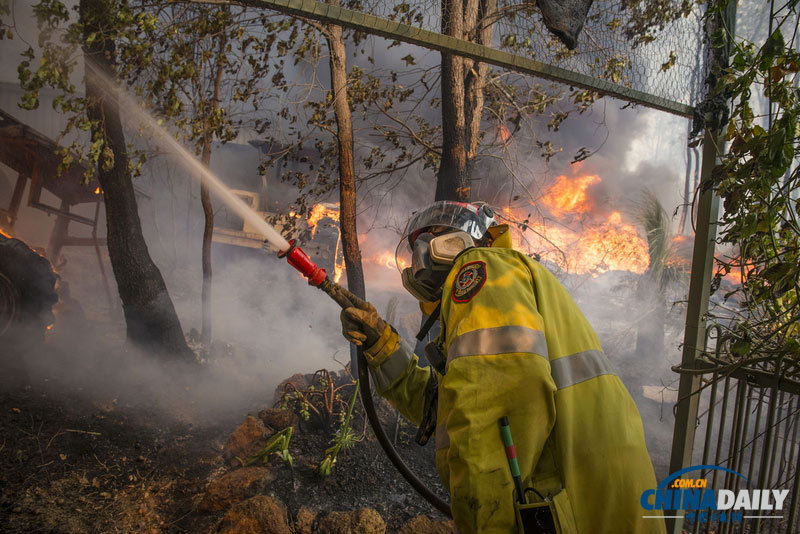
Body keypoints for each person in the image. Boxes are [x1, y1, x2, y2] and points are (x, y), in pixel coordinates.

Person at [340, 201, 664, 534]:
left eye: (429, 240)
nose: (419, 259)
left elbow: (492, 413)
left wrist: (485, 525)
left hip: (577, 503)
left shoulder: (481, 270)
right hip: (592, 493)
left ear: (456, 242)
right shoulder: (502, 283)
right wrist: (383, 348)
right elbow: (449, 409)